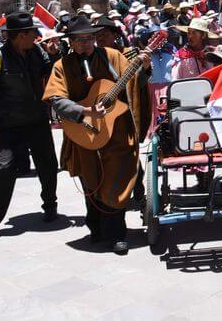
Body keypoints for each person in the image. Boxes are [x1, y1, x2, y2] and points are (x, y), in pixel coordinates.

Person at [44, 16, 151, 255]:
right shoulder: (62, 66)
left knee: (117, 182)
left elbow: (135, 84)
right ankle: (97, 228)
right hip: (85, 132)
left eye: (90, 38)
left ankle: (117, 234)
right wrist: (83, 111)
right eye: (80, 40)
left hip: (118, 134)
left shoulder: (113, 57)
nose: (87, 44)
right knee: (91, 182)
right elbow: (56, 99)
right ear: (70, 42)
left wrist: (144, 68)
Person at [0, 12, 58, 238]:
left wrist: (53, 56)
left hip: (37, 120)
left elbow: (48, 73)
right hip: (9, 124)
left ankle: (50, 205)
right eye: (33, 32)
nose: (36, 36)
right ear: (20, 36)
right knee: (4, 168)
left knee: (48, 164)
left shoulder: (36, 52)